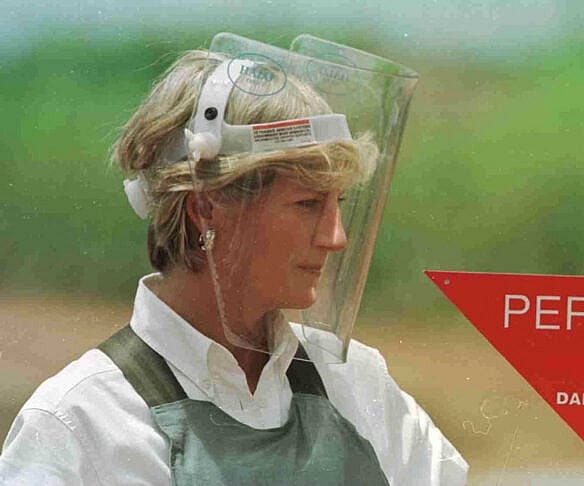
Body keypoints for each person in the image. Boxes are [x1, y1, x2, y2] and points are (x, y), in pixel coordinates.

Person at [0, 34, 468, 485]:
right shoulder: (79, 424)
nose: (336, 237)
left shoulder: (356, 385)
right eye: (308, 204)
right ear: (205, 207)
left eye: (339, 204)